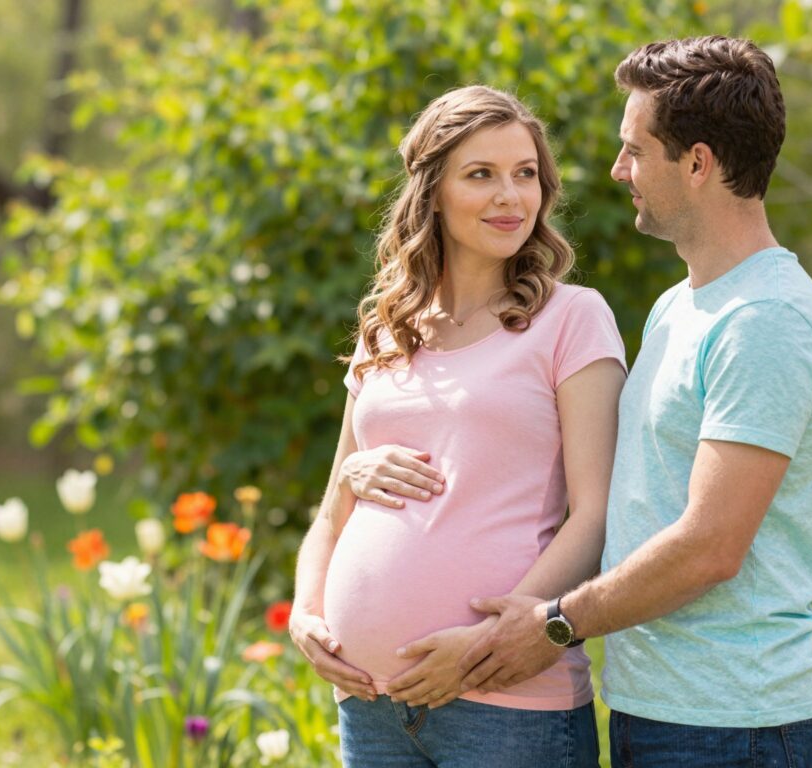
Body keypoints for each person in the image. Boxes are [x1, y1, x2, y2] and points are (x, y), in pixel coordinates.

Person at [453, 37, 812, 767]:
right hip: (658, 710)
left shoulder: (766, 322)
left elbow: (710, 547)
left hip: (736, 725)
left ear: (698, 163)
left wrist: (555, 624)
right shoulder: (681, 305)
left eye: (635, 150)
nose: (617, 171)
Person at [288, 85, 626, 768]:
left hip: (506, 704)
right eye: (482, 175)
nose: (511, 196)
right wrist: (305, 613)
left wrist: (477, 650)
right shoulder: (386, 326)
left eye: (525, 174)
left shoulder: (572, 319)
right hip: (370, 705)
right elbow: (331, 513)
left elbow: (595, 516)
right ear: (432, 193)